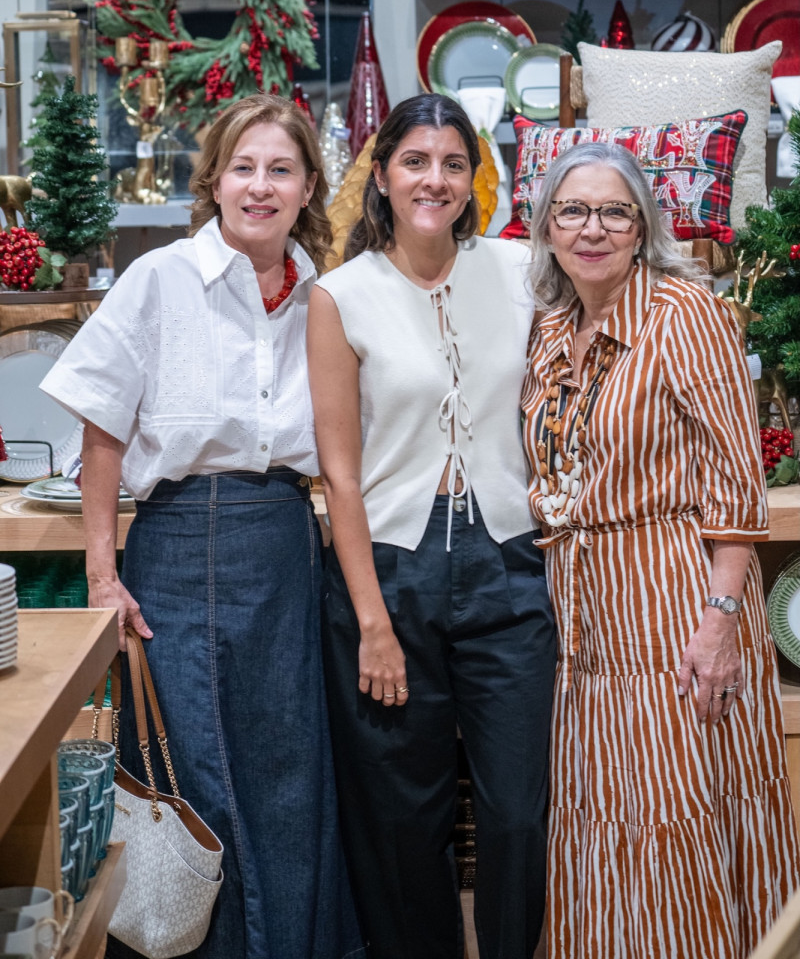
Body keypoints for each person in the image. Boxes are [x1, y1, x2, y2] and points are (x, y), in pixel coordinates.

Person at [41, 94, 364, 959]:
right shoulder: (159, 279)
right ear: (214, 180)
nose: (260, 186)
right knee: (193, 777)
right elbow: (102, 433)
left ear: (308, 188)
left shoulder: (322, 298)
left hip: (283, 543)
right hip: (179, 547)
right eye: (244, 167)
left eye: (282, 170)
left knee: (291, 774)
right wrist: (102, 579)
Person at [520, 140, 800, 959]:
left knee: (677, 807)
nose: (593, 228)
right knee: (601, 807)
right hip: (582, 607)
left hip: (676, 596)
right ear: (547, 228)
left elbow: (735, 481)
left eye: (615, 211)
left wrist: (720, 621)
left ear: (643, 227)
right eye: (573, 210)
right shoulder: (550, 327)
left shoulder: (687, 315)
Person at [307, 93, 556, 959]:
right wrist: (372, 621)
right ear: (381, 175)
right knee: (402, 817)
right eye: (416, 161)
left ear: (473, 178)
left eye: (454, 163)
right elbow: (340, 475)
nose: (435, 179)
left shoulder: (523, 270)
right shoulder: (340, 295)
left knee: (519, 810)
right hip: (389, 572)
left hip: (512, 564)